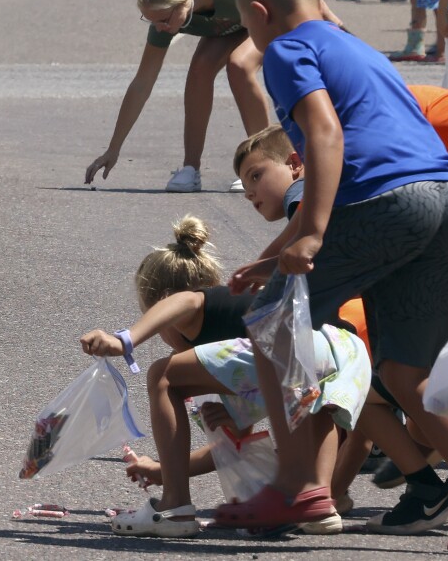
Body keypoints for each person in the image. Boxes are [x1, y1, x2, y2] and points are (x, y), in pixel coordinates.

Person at [222, 0, 448, 555]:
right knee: (411, 375)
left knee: (271, 324)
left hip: (385, 201)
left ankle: (297, 484)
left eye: (247, 24)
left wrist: (311, 232)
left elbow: (326, 134)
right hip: (446, 199)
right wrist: (276, 252)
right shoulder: (355, 46)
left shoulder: (285, 49)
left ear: (259, 12)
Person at [79, 214, 367, 537]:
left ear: (163, 304)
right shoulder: (231, 361)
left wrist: (125, 339)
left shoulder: (197, 306)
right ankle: (317, 502)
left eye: (155, 320)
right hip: (345, 350)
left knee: (162, 376)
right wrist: (164, 469)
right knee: (314, 410)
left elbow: (182, 300)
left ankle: (174, 506)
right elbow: (233, 447)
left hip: (302, 341)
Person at [83, 0, 304, 194]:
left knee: (239, 65)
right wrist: (113, 149)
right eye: (151, 21)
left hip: (271, 5)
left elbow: (278, 3)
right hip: (233, 19)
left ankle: (265, 164)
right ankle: (191, 169)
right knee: (199, 70)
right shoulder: (167, 17)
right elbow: (142, 83)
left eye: (164, 20)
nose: (160, 28)